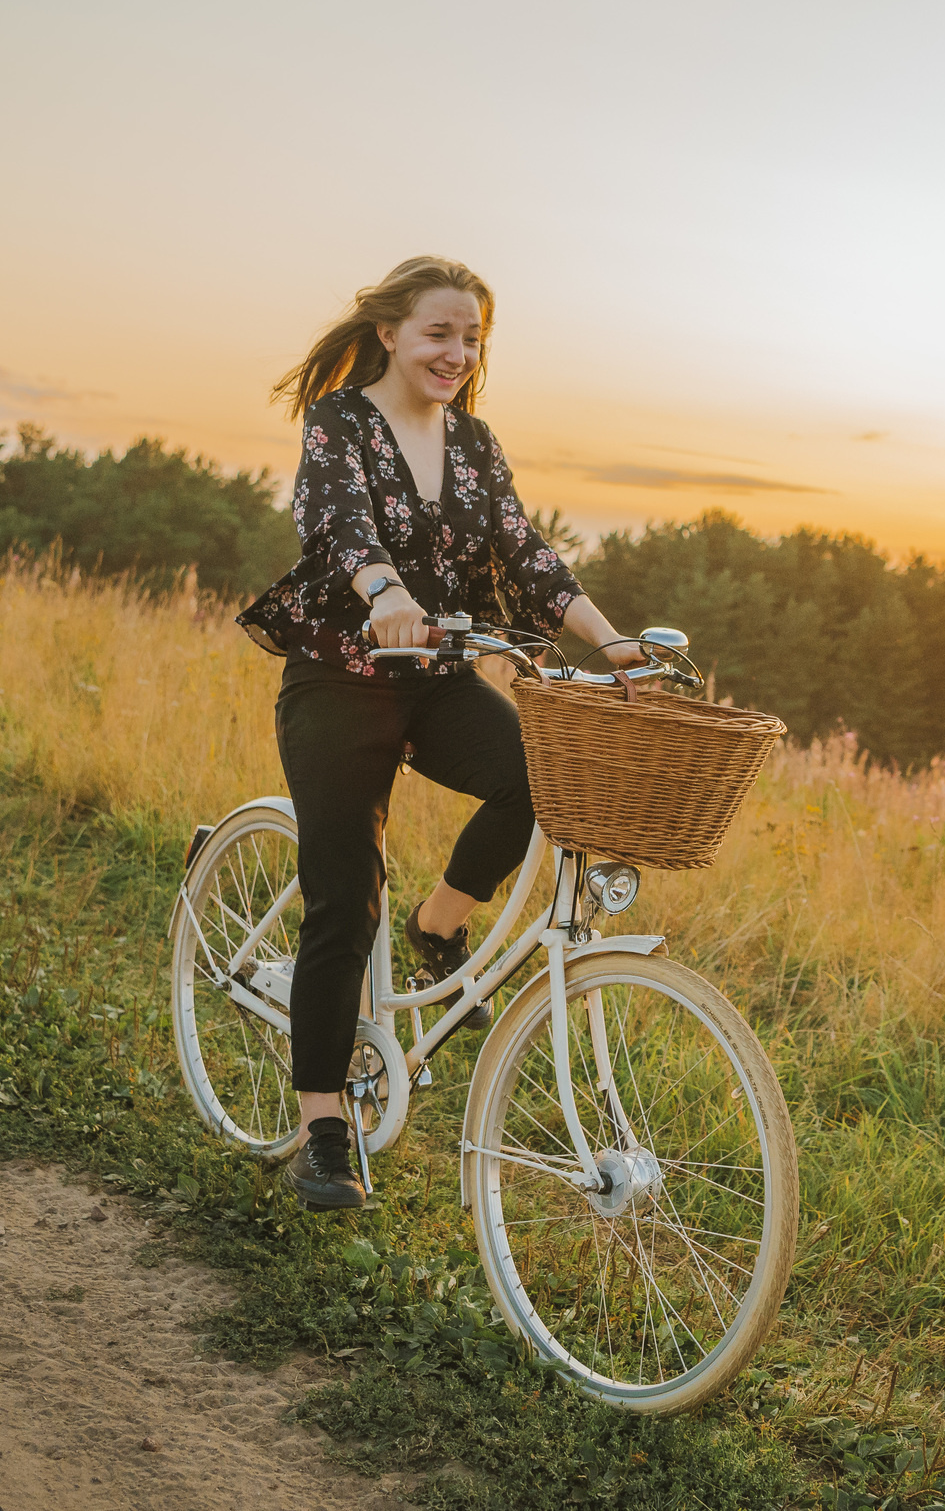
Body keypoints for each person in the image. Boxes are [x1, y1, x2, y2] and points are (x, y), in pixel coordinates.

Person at [238, 255, 645, 1211]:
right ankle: (324, 1129)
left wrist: (610, 639)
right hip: (343, 681)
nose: (456, 353)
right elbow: (340, 531)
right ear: (389, 332)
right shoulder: (341, 422)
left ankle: (440, 925)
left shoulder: (474, 442)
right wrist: (386, 595)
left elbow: (525, 550)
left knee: (539, 780)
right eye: (438, 334)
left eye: (471, 338)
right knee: (346, 899)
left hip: (436, 681)